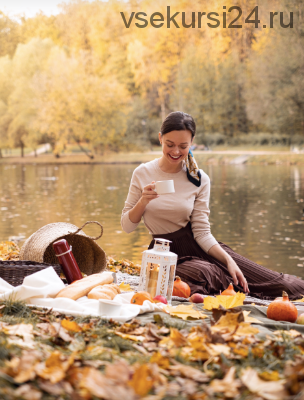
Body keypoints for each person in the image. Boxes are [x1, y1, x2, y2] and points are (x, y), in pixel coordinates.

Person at [121, 111, 304, 300]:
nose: (176, 152)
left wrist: (228, 260)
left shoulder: (199, 179)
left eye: (183, 146)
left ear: (191, 142)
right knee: (205, 274)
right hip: (165, 254)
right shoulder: (142, 173)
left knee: (283, 284)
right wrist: (143, 201)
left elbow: (201, 232)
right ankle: (225, 284)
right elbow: (127, 226)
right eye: (170, 145)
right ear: (160, 138)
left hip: (200, 247)